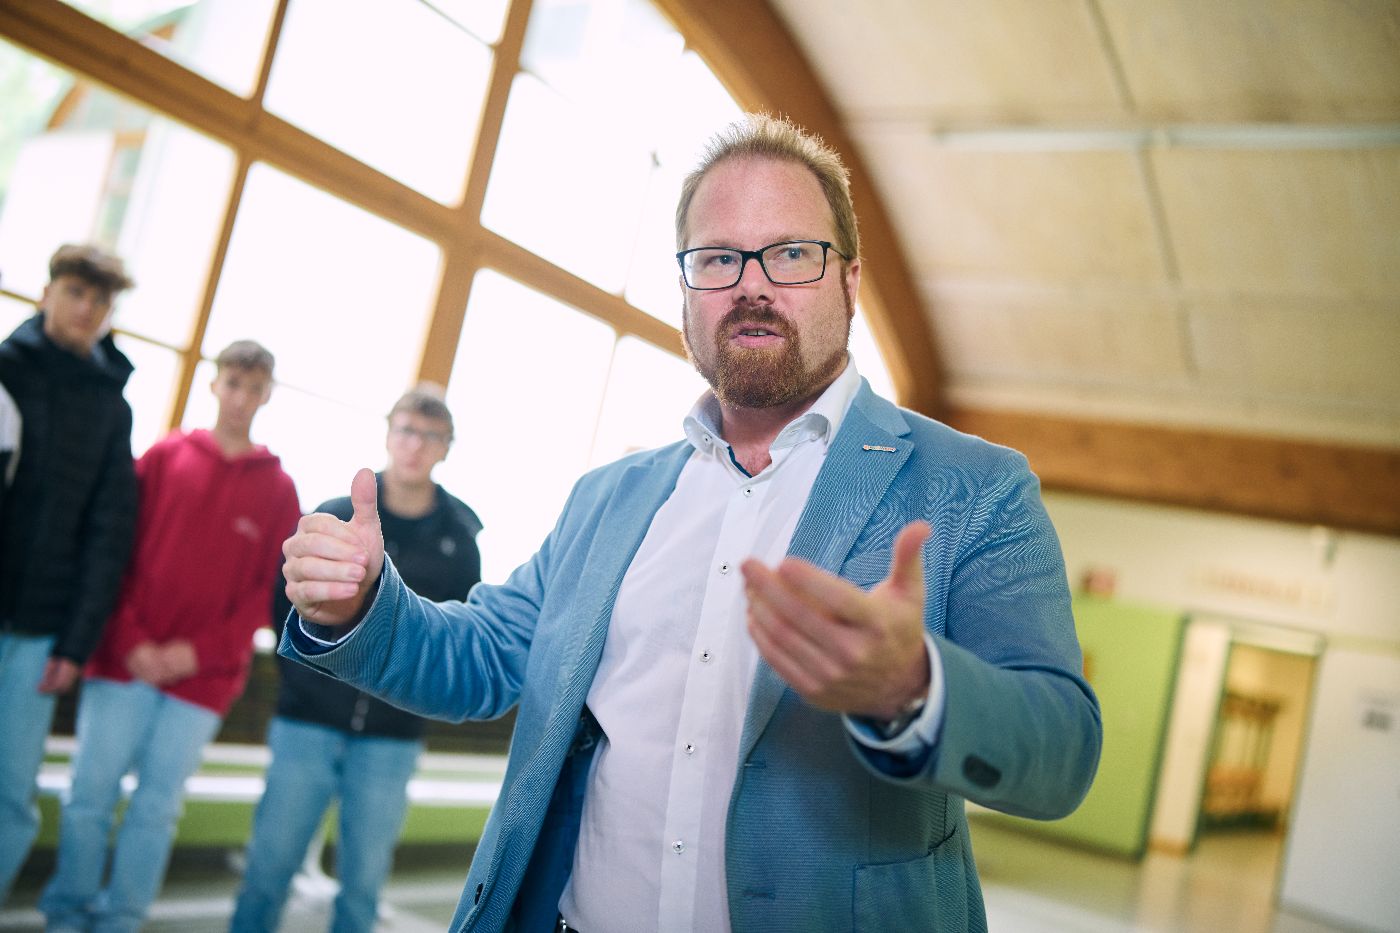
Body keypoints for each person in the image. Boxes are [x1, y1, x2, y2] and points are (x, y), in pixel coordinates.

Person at [280, 114, 1103, 932]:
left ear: (850, 280)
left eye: (790, 253)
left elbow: (1062, 746)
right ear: (685, 292)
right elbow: (484, 655)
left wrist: (914, 687)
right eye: (717, 258)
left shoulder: (974, 488)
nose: (751, 284)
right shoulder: (609, 497)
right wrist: (362, 605)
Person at [39, 340, 301, 932]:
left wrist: (194, 653)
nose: (240, 398)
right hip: (123, 659)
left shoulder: (280, 489)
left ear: (267, 396)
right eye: (232, 383)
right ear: (214, 384)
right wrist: (132, 639)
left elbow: (266, 594)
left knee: (156, 807)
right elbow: (116, 551)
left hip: (202, 681)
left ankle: (122, 919)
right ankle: (66, 913)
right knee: (89, 795)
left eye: (253, 388)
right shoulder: (163, 457)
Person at [231, 384, 483, 933]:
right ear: (389, 434)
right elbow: (287, 602)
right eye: (406, 430)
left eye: (431, 436)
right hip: (308, 722)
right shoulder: (338, 515)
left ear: (446, 448)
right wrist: (304, 681)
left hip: (392, 737)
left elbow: (458, 634)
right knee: (268, 869)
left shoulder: (460, 538)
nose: (415, 445)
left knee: (363, 887)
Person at [0, 244, 139, 906]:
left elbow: (109, 534)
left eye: (100, 300)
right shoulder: (5, 371)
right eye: (76, 292)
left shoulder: (113, 406)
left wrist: (76, 643)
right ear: (47, 293)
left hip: (41, 632)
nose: (87, 307)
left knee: (11, 790)